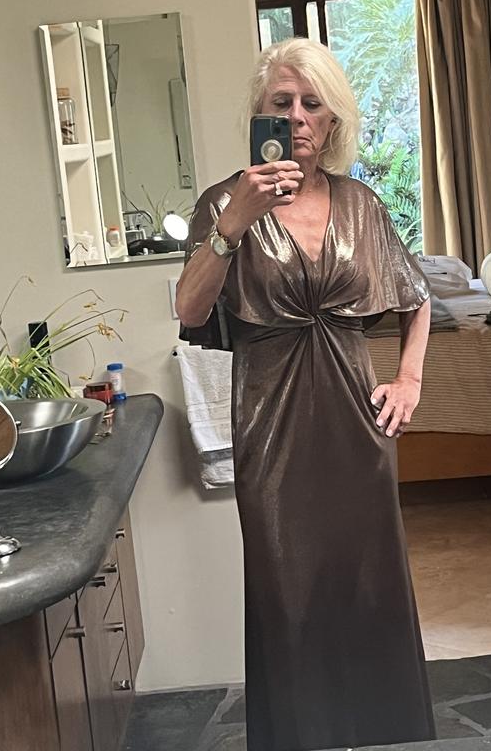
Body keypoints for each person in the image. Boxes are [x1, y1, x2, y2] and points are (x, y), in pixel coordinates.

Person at [176, 37, 435, 751]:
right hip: (271, 430)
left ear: (331, 120)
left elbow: (416, 296)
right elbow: (190, 310)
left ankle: (387, 739)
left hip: (358, 426)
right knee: (286, 597)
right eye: (280, 102)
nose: (295, 116)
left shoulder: (361, 204)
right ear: (260, 114)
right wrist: (233, 224)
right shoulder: (223, 202)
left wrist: (409, 379)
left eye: (311, 104)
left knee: (371, 587)